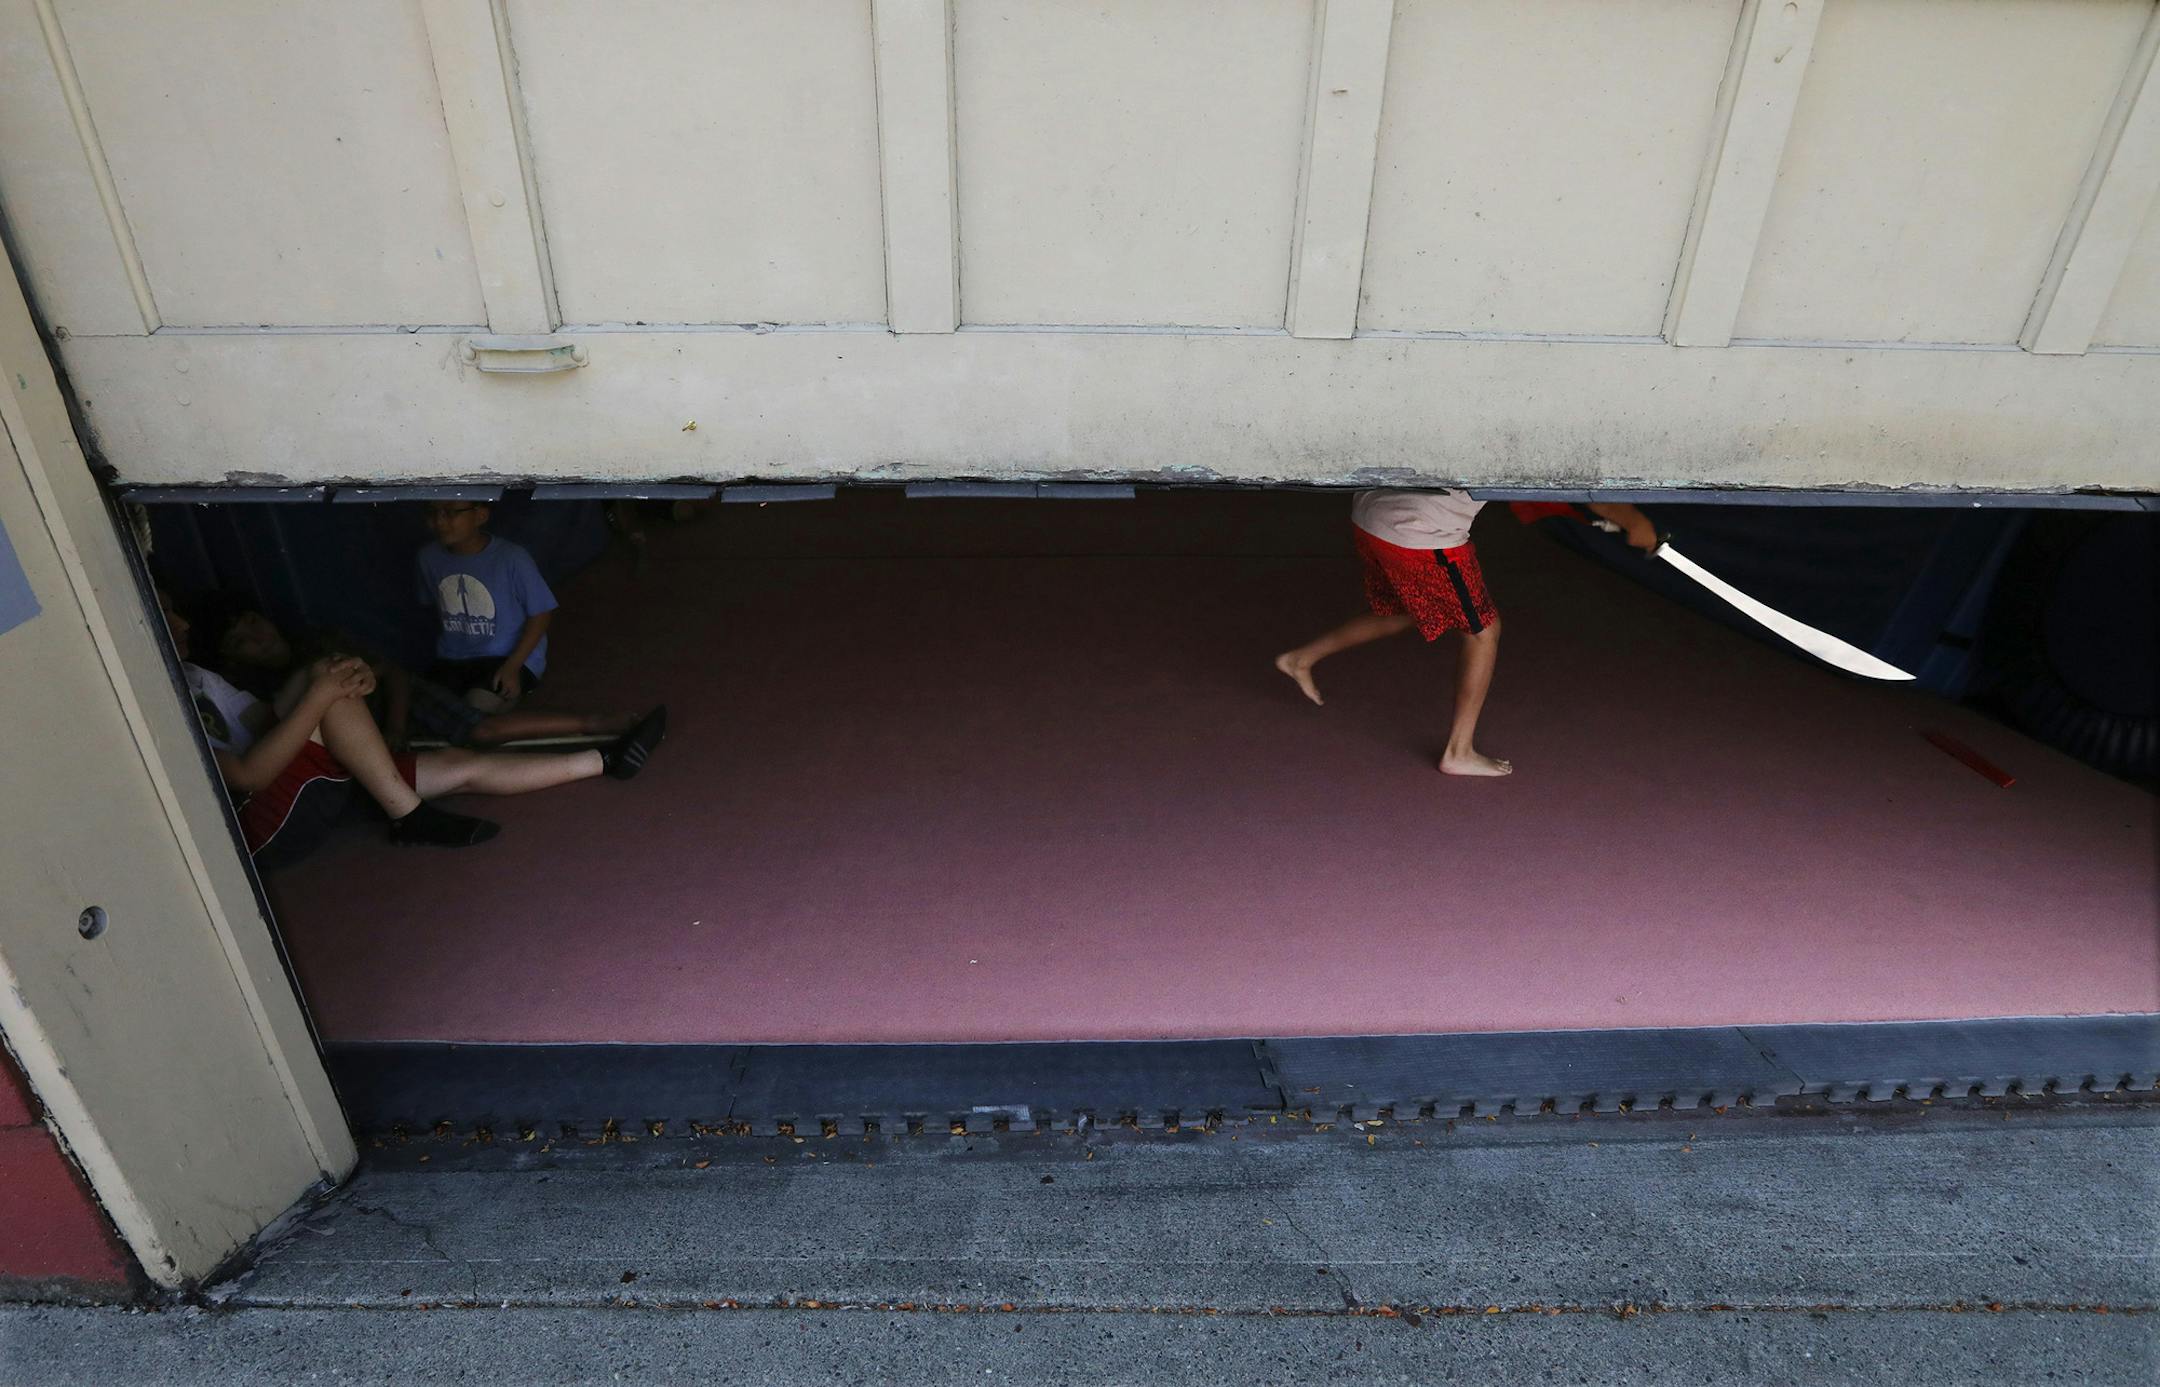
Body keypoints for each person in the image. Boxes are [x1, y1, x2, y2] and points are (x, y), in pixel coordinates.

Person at [159, 589, 666, 869]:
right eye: (166, 611)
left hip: (317, 778)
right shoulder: (153, 698)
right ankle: (410, 815)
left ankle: (605, 760)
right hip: (258, 826)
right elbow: (247, 774)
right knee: (326, 689)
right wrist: (323, 696)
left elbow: (266, 724)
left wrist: (343, 678)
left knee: (458, 765)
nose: (182, 626)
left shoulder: (199, 675)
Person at [1274, 491, 1657, 777]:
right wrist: (1637, 523)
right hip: (1421, 532)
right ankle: (1459, 751)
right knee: (1482, 631)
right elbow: (1584, 493)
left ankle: (1299, 658)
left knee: (1406, 609)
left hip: (1372, 514)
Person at [199, 601, 656, 753]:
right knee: (476, 754)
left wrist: (396, 726)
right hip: (362, 743)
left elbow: (393, 675)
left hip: (401, 703)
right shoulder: (256, 695)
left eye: (251, 623)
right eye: (239, 641)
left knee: (482, 729)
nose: (254, 637)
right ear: (232, 660)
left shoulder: (318, 642)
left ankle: (595, 724)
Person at [417, 500, 555, 712]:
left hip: (506, 657)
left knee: (476, 708)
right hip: (453, 658)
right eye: (433, 513)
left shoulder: (511, 557)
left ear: (480, 515)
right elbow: (429, 608)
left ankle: (511, 697)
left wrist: (513, 667)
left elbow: (542, 613)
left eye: (451, 513)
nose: (440, 522)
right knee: (423, 709)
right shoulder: (428, 558)